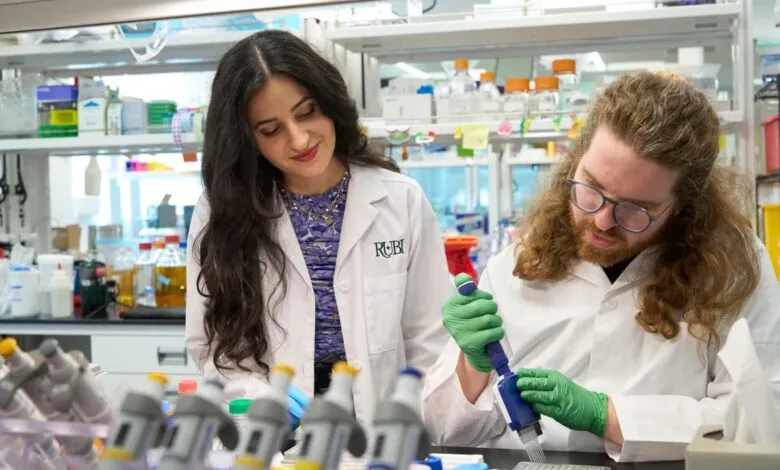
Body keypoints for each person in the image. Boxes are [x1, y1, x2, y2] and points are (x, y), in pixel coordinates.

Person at [422, 72, 780, 462]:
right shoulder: (518, 261)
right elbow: (445, 431)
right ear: (575, 160)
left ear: (684, 205)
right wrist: (472, 368)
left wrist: (607, 416)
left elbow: (760, 420)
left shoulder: (733, 268)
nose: (602, 221)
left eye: (636, 208)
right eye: (591, 188)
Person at [185, 29, 452, 427]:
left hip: (383, 428)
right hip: (276, 435)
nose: (299, 139)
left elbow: (429, 342)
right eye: (271, 130)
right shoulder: (222, 212)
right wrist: (261, 398)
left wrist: (412, 422)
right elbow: (215, 349)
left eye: (307, 112)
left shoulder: (401, 200)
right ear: (247, 139)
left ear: (329, 103)